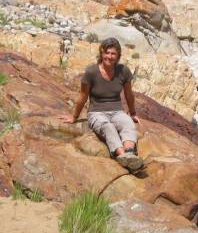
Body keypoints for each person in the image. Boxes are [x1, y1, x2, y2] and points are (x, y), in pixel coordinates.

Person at [59, 37, 143, 173]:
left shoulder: (123, 71)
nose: (109, 57)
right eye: (107, 53)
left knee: (127, 123)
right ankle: (122, 155)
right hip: (96, 113)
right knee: (108, 128)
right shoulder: (91, 72)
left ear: (118, 56)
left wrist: (132, 113)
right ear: (102, 53)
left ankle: (130, 153)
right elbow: (83, 96)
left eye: (113, 54)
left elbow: (129, 94)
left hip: (117, 111)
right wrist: (74, 117)